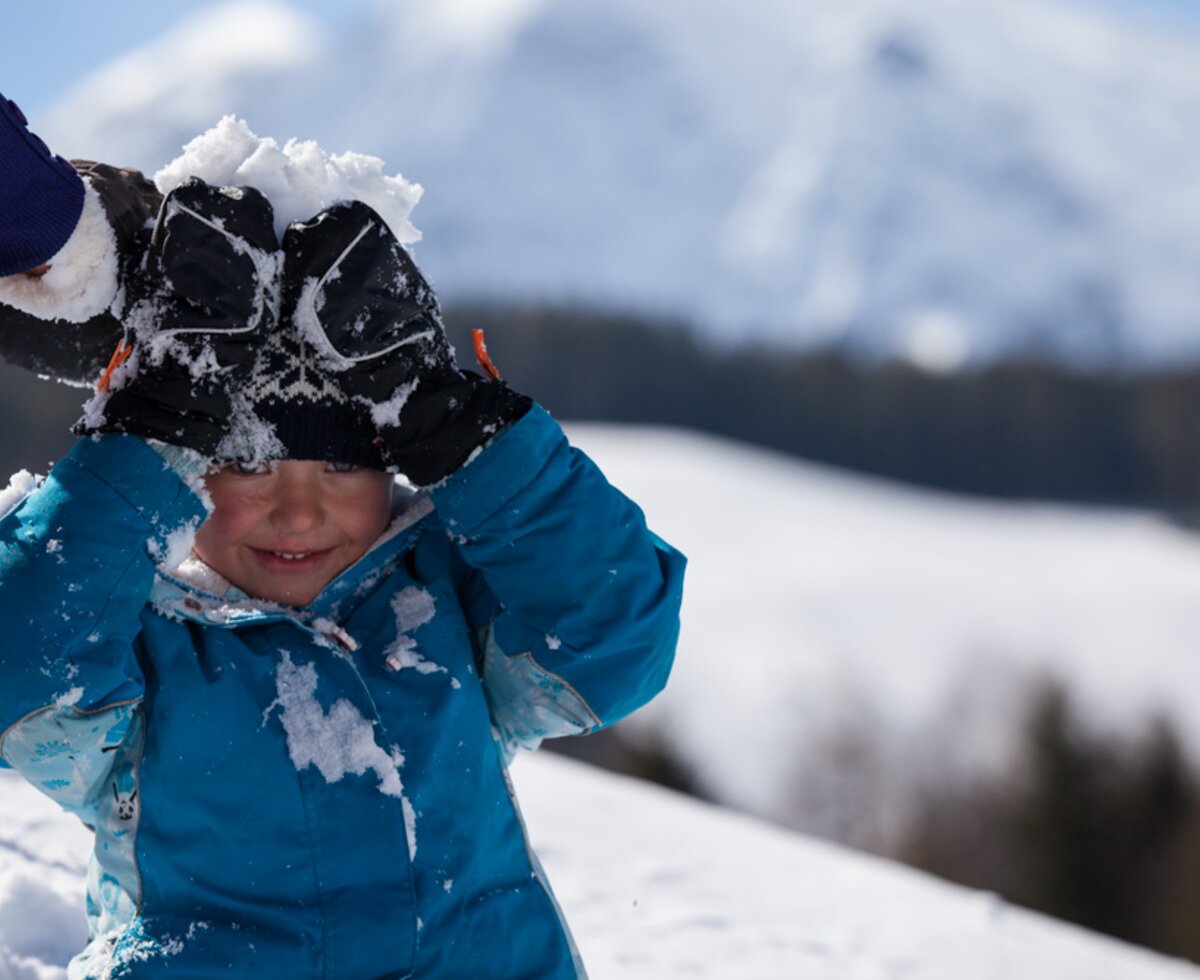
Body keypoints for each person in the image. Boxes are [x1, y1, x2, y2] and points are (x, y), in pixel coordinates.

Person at [0, 93, 685, 978]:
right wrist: (148, 428)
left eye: (340, 469)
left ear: (396, 465)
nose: (298, 509)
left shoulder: (442, 606)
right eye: (246, 465)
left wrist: (454, 421)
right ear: (183, 468)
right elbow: (18, 670)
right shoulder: (139, 640)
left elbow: (616, 642)